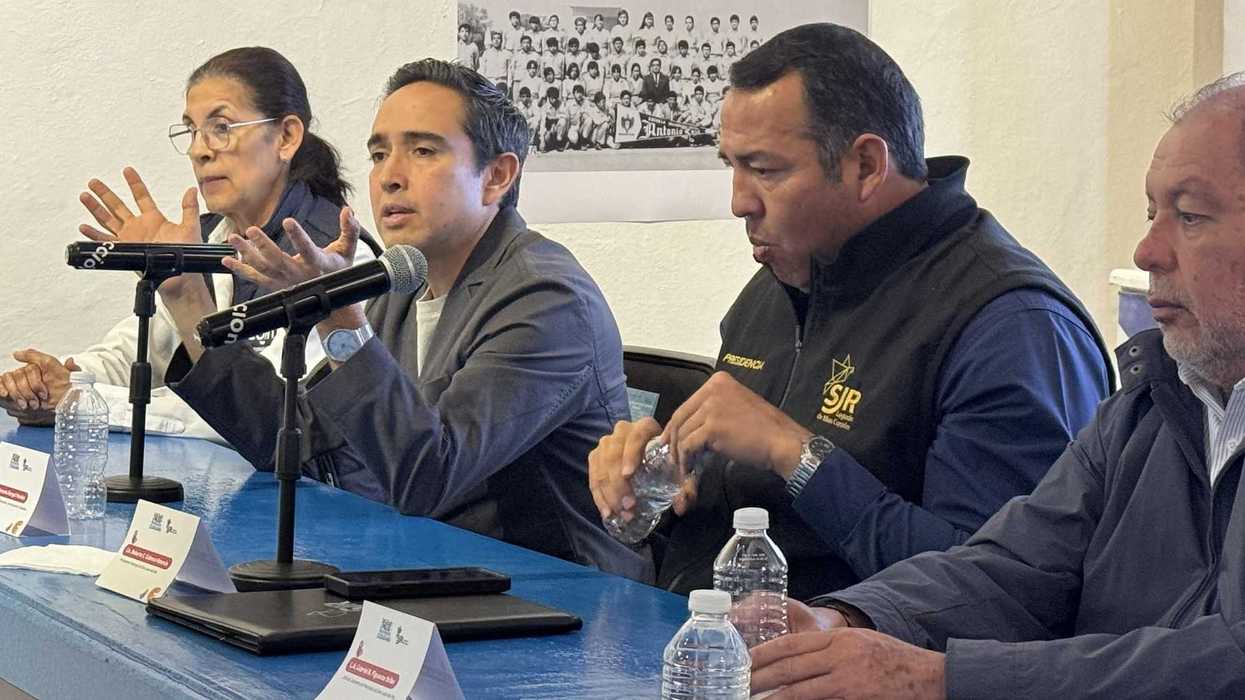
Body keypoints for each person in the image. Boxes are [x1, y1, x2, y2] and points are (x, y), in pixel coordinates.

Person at [750, 72, 1245, 700]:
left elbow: (1230, 659)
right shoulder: (1150, 405)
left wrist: (942, 678)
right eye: (1152, 213)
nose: (1147, 250)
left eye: (1191, 216)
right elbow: (1014, 564)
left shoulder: (1011, 316)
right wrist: (847, 622)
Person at [587, 23, 1113, 598]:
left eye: (765, 170)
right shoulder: (780, 283)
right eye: (731, 166)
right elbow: (727, 527)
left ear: (865, 165)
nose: (738, 200)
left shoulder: (1011, 324)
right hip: (710, 644)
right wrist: (654, 484)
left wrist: (796, 455)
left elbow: (1000, 591)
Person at [127, 59, 647, 579]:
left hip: (558, 598)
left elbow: (431, 474)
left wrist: (338, 319)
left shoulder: (545, 298)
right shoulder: (403, 283)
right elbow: (308, 448)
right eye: (379, 154)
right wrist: (189, 300)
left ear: (496, 176)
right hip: (437, 569)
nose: (390, 178)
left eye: (422, 151)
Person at [0, 47, 374, 443]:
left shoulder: (336, 256)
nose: (199, 150)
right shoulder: (209, 237)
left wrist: (84, 401)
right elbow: (142, 350)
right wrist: (54, 381)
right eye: (192, 131)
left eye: (222, 127)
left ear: (286, 136)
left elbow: (262, 415)